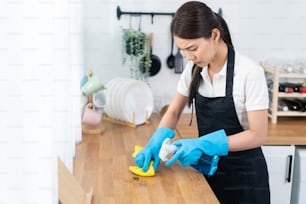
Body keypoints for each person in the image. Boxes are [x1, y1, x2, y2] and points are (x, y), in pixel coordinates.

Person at [135, 1, 270, 204]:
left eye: (193, 48)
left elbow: (258, 135)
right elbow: (173, 112)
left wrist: (203, 144)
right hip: (207, 171)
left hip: (245, 180)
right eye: (183, 51)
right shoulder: (194, 70)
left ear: (214, 35)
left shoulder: (249, 73)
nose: (188, 57)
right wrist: (157, 139)